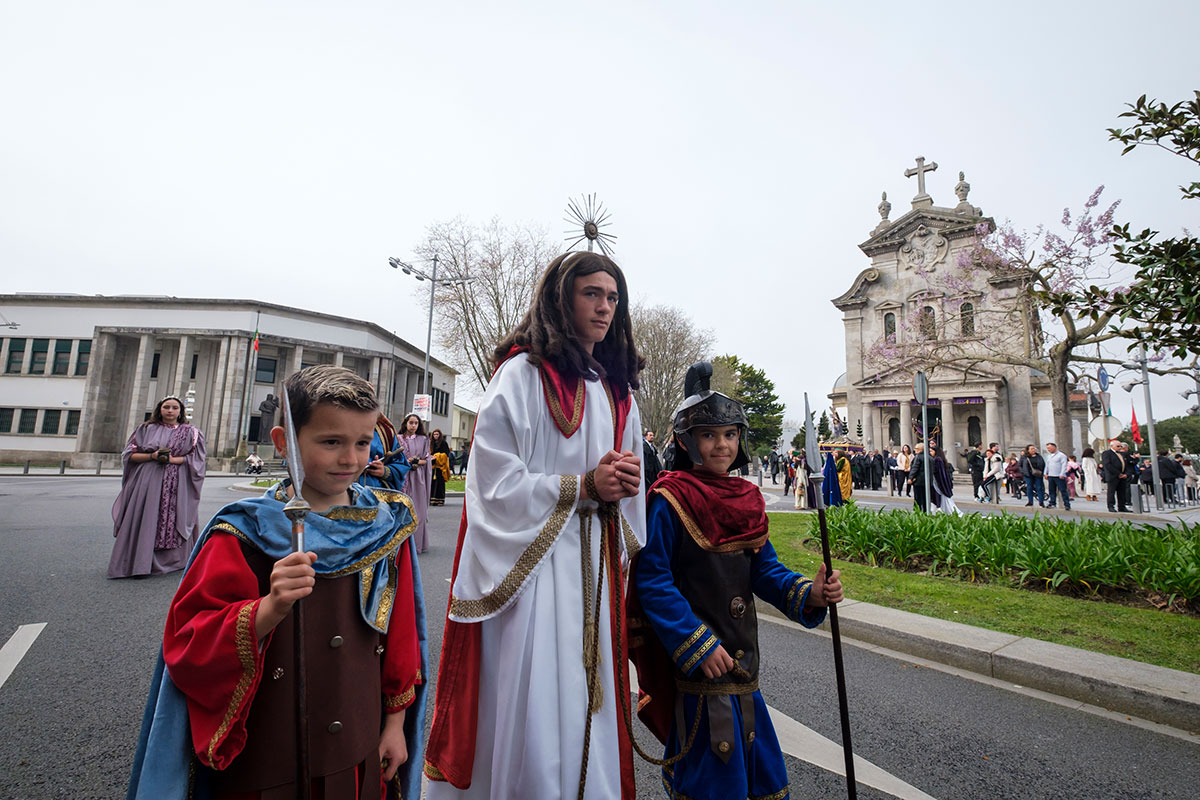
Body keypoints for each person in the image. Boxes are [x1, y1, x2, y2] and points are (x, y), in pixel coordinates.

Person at [126, 365, 428, 800]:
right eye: (331, 442)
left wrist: (396, 724)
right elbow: (188, 642)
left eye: (362, 443)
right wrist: (266, 610)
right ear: (285, 443)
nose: (351, 459)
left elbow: (401, 637)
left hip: (359, 751)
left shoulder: (386, 527)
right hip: (268, 758)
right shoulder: (244, 534)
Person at [424, 250, 646, 799]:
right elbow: (493, 484)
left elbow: (630, 482)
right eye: (591, 294)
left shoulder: (619, 391)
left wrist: (624, 483)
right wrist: (581, 486)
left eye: (613, 297)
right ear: (561, 297)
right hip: (531, 571)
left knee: (587, 701)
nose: (604, 307)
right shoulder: (523, 374)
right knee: (537, 701)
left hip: (593, 566)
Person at [629, 365, 842, 800]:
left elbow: (764, 570)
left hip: (745, 673)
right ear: (686, 442)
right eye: (708, 435)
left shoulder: (747, 499)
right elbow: (653, 581)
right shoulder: (668, 499)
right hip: (702, 668)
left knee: (758, 783)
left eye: (729, 434)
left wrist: (811, 593)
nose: (721, 444)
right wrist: (696, 643)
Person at [108, 395, 207, 579]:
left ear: (180, 411)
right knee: (146, 517)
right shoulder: (145, 429)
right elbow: (130, 455)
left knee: (174, 516)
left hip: (177, 483)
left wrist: (172, 460)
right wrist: (152, 456)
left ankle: (175, 561)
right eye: (166, 407)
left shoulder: (191, 432)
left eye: (174, 408)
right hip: (147, 483)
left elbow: (197, 459)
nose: (170, 411)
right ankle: (140, 561)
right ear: (159, 409)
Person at [398, 414, 431, 552]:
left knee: (419, 511)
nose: (413, 425)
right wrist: (407, 462)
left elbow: (427, 459)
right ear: (405, 423)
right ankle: (400, 545)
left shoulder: (423, 439)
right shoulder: (398, 438)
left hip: (418, 479)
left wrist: (417, 462)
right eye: (411, 422)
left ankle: (417, 545)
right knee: (402, 510)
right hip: (402, 477)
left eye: (416, 423)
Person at [360, 412, 410, 491]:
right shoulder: (336, 425)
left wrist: (385, 471)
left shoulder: (386, 432)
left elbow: (400, 464)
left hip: (374, 494)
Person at [929, 443, 960, 515]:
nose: (930, 453)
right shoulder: (937, 459)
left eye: (931, 451)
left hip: (938, 482)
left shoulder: (938, 460)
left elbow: (938, 471)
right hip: (937, 481)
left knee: (940, 496)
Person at [1101, 439, 1129, 512]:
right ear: (1112, 446)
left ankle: (1122, 506)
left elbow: (1126, 464)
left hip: (1122, 476)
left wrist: (1125, 474)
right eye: (1118, 446)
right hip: (1113, 476)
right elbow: (1107, 465)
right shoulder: (1107, 453)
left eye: (1120, 446)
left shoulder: (1121, 454)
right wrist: (1118, 473)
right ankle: (1111, 506)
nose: (1120, 447)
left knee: (1122, 492)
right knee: (1111, 492)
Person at [1044, 442, 1071, 511]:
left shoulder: (1061, 455)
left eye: (1049, 448)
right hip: (1051, 475)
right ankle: (1052, 502)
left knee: (1063, 490)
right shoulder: (1049, 456)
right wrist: (1045, 473)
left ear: (1054, 447)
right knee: (1051, 490)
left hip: (1059, 476)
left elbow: (1064, 465)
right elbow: (1047, 465)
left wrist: (1062, 474)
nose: (1048, 449)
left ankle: (1066, 504)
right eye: (1047, 448)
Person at [429, 428, 452, 506]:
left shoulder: (443, 443)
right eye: (434, 434)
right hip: (432, 467)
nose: (435, 436)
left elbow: (446, 455)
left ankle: (440, 500)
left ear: (440, 435)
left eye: (437, 434)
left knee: (440, 484)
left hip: (440, 467)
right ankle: (432, 500)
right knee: (432, 483)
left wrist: (437, 456)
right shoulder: (431, 443)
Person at [907, 443, 931, 512]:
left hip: (919, 481)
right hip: (927, 481)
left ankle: (918, 512)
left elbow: (915, 468)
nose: (915, 450)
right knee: (926, 498)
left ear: (920, 450)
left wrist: (910, 478)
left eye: (916, 449)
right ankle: (926, 511)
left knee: (918, 499)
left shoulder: (918, 457)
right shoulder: (929, 457)